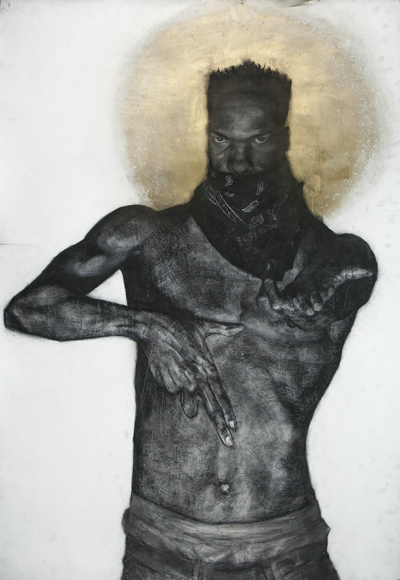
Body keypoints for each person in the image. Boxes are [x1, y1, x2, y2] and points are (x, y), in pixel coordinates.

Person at [4, 61, 377, 579]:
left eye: (259, 139)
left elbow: (354, 271)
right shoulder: (144, 234)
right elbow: (27, 308)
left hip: (286, 548)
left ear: (286, 138)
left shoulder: (330, 259)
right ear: (205, 135)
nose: (238, 160)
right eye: (222, 139)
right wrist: (147, 326)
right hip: (164, 549)